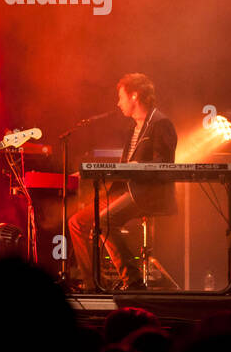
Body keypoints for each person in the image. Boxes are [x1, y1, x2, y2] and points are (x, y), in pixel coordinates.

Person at [67, 73, 177, 290]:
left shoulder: (161, 123)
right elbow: (124, 165)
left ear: (134, 95)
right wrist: (93, 173)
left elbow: (163, 164)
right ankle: (93, 284)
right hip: (125, 190)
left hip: (147, 193)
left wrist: (134, 167)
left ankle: (133, 281)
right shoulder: (132, 129)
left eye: (121, 97)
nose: (118, 103)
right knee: (76, 223)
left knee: (105, 222)